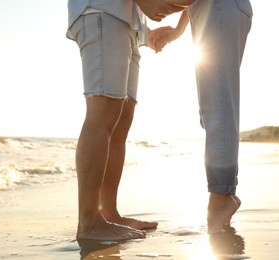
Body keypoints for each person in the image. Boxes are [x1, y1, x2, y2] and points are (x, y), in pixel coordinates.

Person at [66, 0, 192, 241]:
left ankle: (109, 213)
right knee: (102, 113)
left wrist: (145, 31)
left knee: (121, 121)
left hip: (129, 25)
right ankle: (89, 222)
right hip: (101, 11)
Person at [150, 0, 253, 235]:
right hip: (210, 10)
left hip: (217, 8)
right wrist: (178, 30)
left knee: (217, 104)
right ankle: (222, 195)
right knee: (212, 106)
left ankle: (221, 198)